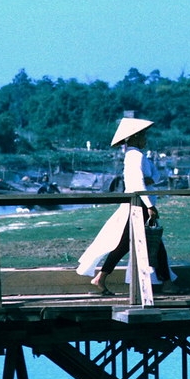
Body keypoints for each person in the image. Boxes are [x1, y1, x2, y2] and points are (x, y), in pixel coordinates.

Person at [77, 117, 181, 295]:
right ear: (134, 137)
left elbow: (155, 176)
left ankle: (101, 277)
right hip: (139, 204)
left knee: (132, 242)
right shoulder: (134, 156)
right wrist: (150, 205)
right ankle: (166, 282)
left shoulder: (141, 156)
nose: (145, 139)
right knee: (150, 241)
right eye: (142, 135)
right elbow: (137, 185)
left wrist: (148, 182)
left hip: (139, 203)